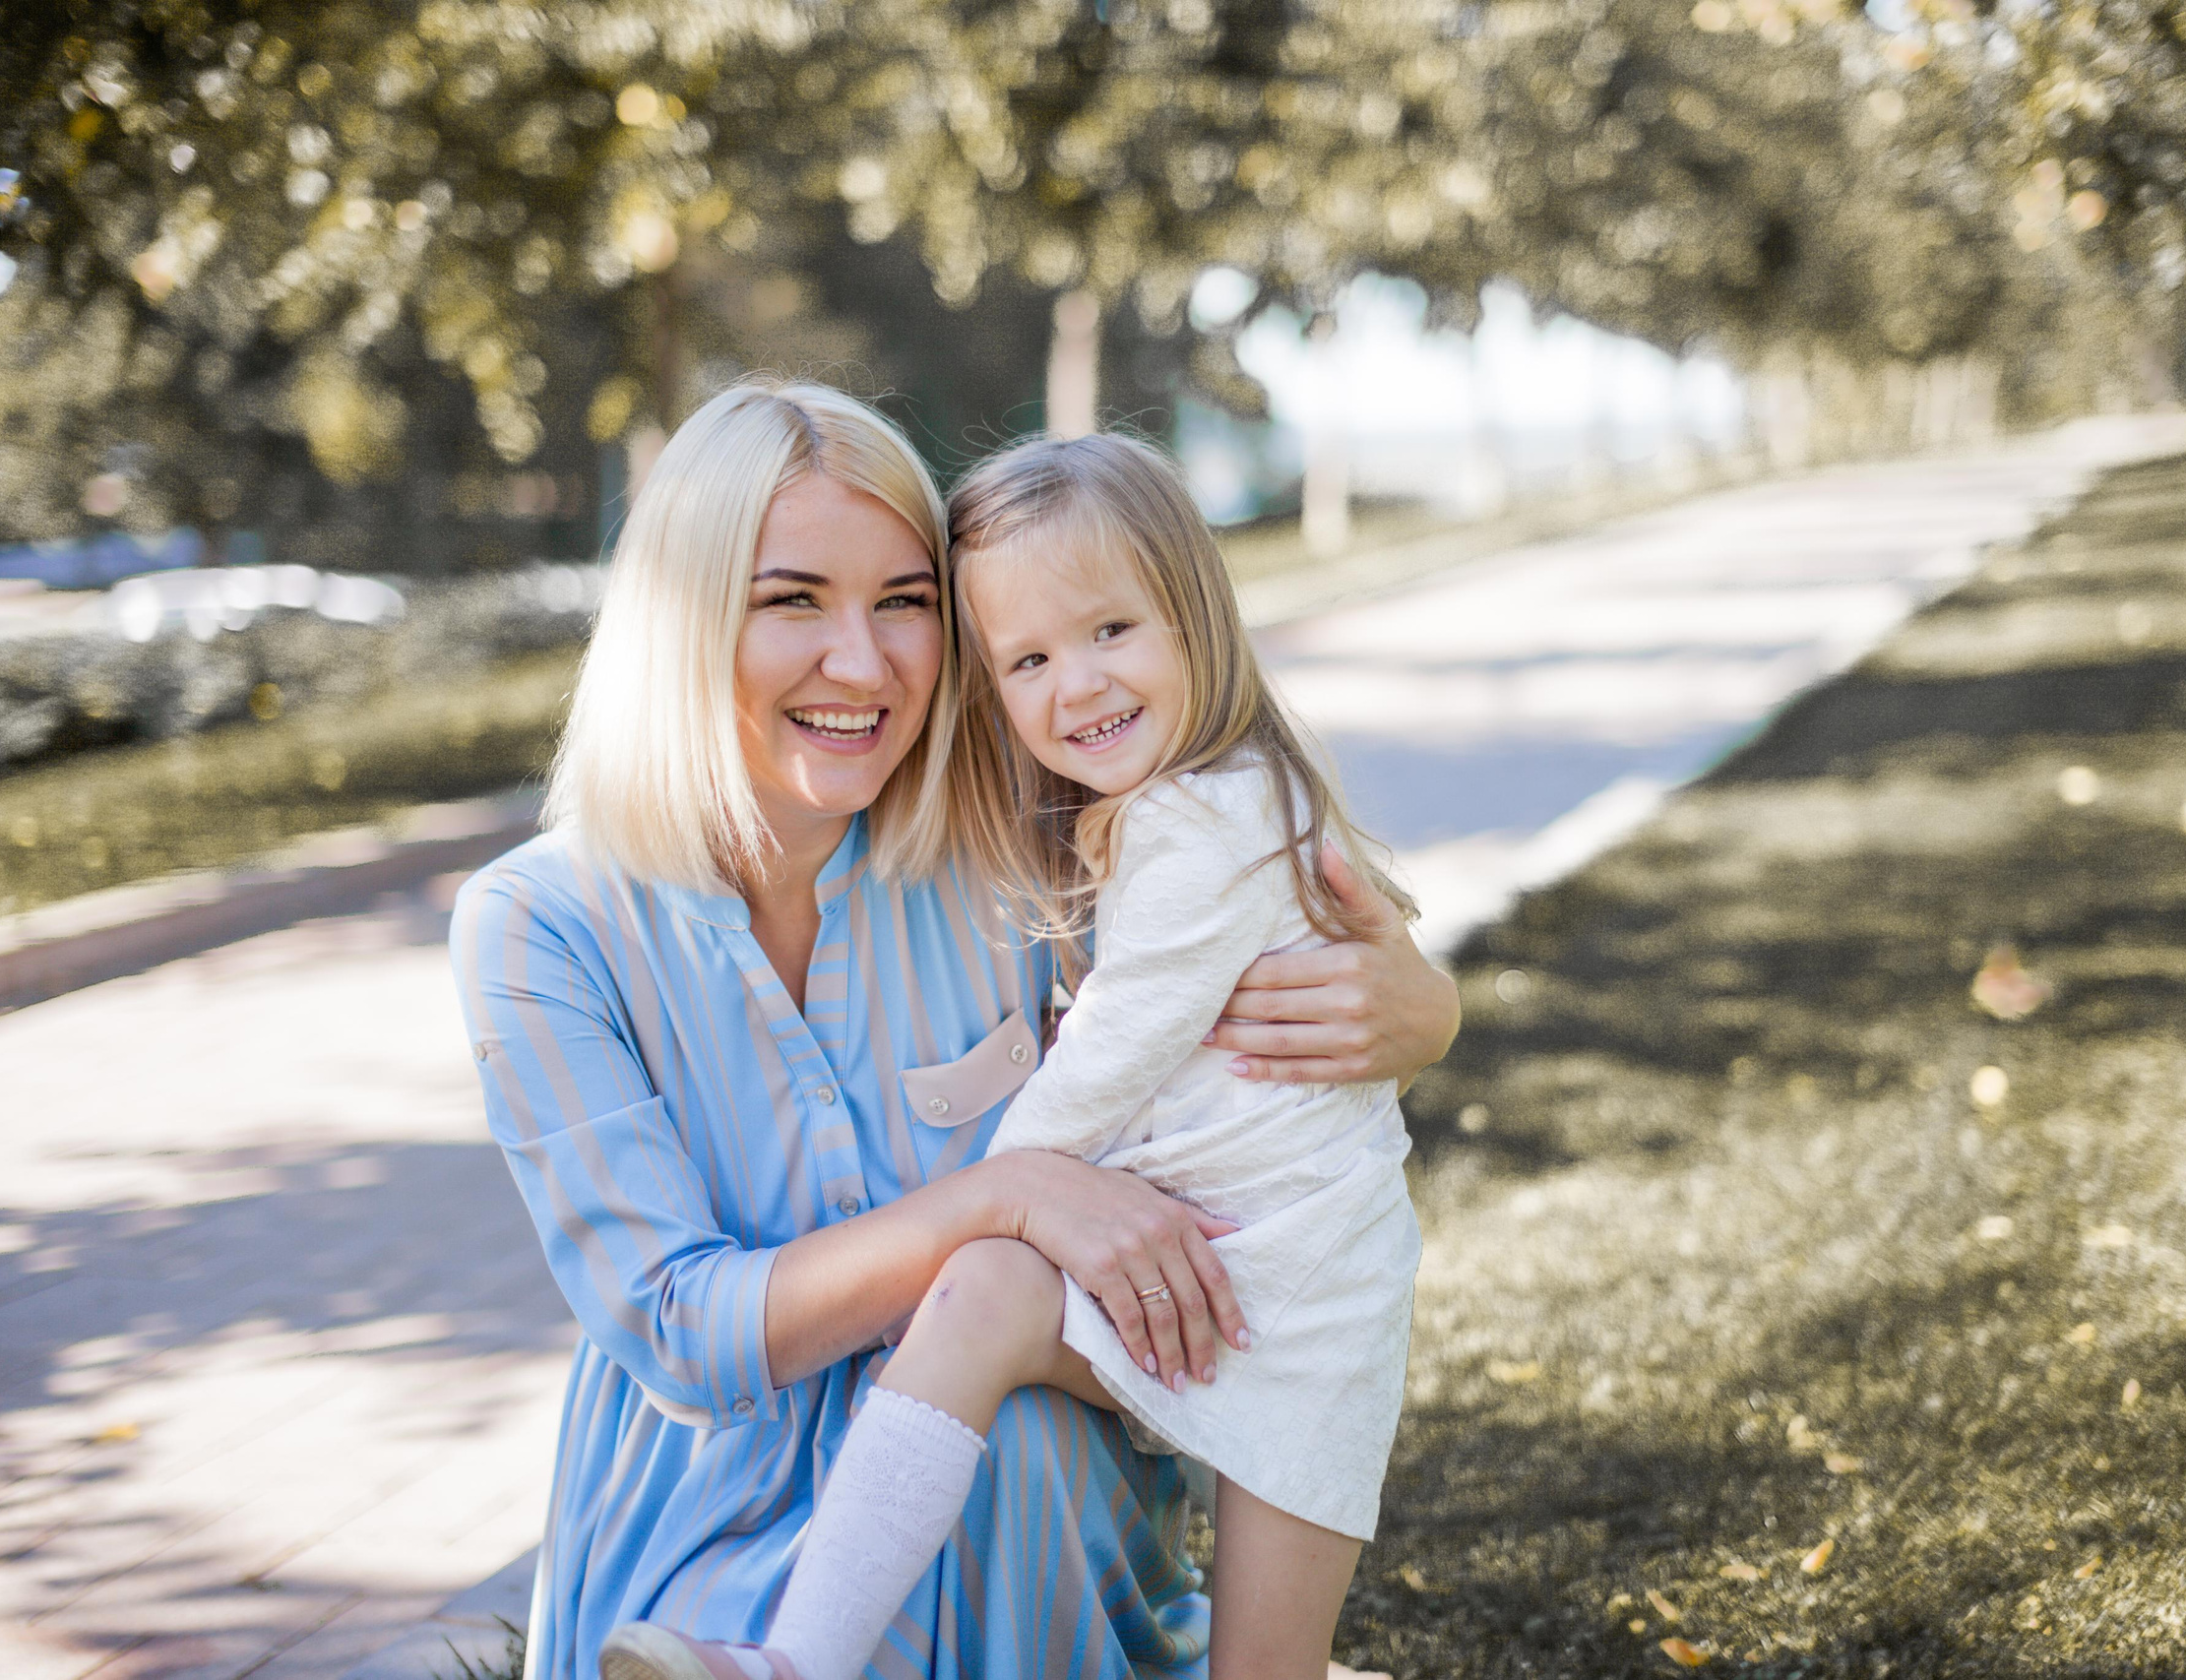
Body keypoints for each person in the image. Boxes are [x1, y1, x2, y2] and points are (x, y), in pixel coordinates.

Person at [451, 381, 1460, 1680]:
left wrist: (1423, 1009)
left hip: (1017, 1495)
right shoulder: (538, 925)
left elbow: (1242, 944)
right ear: (683, 614)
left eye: (906, 603)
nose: (862, 664)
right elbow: (677, 1329)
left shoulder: (1010, 851)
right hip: (709, 1507)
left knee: (1031, 1450)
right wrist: (1010, 1199)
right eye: (791, 599)